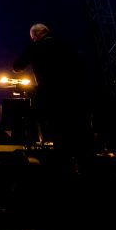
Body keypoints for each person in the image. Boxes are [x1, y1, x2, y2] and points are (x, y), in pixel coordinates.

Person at [12, 23, 94, 174]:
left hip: (50, 96)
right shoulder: (64, 45)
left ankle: (59, 169)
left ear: (35, 36)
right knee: (77, 131)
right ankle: (86, 169)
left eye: (32, 38)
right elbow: (82, 67)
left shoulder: (35, 47)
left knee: (56, 130)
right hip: (74, 95)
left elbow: (17, 66)